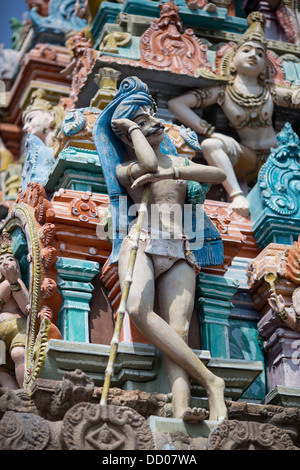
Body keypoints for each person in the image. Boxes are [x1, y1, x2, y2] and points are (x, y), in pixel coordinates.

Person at [94, 76, 228, 422]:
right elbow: (149, 166)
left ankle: (183, 404)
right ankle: (212, 380)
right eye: (141, 123)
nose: (153, 124)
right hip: (142, 240)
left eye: (152, 118)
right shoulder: (127, 168)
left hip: (179, 246)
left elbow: (215, 173)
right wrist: (130, 129)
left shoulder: (177, 165)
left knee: (179, 329)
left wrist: (179, 167)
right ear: (126, 137)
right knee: (138, 307)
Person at [168, 12, 300, 216]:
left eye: (259, 53)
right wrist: (212, 133)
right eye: (246, 50)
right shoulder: (223, 92)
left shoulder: (270, 92)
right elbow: (176, 104)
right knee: (210, 145)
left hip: (279, 158)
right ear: (232, 59)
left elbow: (294, 96)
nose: (253, 55)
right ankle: (237, 196)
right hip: (250, 159)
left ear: (265, 64)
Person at [0, 234, 29, 389]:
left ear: (17, 264)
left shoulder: (13, 282)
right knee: (1, 371)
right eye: (1, 261)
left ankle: (26, 394)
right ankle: (15, 400)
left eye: (10, 259)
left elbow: (27, 306)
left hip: (16, 328)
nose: (6, 263)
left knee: (18, 354)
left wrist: (13, 282)